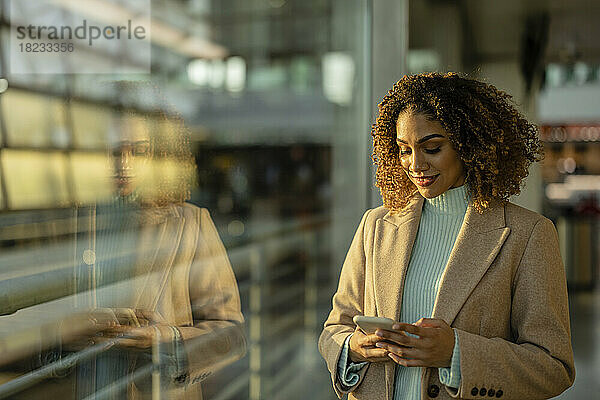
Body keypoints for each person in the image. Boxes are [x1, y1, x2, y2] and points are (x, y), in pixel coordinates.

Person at [318, 72, 575, 400]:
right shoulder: (376, 226)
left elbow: (553, 366)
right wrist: (353, 348)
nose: (416, 164)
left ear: (468, 145)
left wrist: (456, 353)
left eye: (432, 148)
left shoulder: (527, 235)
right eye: (404, 150)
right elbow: (334, 329)